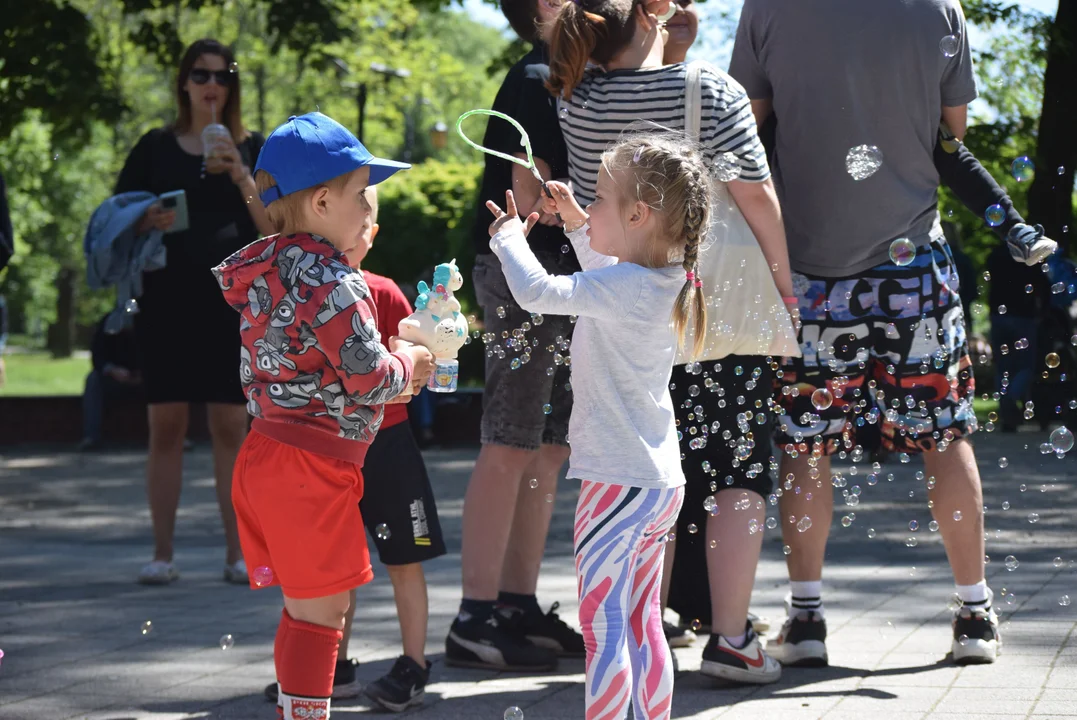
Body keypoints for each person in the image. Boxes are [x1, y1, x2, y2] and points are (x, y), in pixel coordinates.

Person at [729, 0, 1028, 666]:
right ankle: (973, 615)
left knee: (806, 445)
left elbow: (743, 133)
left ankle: (804, 621)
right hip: (912, 265)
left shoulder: (769, 8)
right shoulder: (938, 7)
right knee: (944, 435)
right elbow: (949, 133)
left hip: (805, 269)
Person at [547, 0, 794, 684]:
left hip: (625, 310)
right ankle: (732, 638)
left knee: (646, 464)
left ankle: (643, 620)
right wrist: (786, 288)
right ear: (654, 12)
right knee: (736, 469)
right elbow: (754, 195)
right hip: (713, 307)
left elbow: (611, 197)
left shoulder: (577, 97)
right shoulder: (710, 89)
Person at [212, 111, 435, 720]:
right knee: (321, 612)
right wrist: (409, 360)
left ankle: (300, 708)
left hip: (270, 455)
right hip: (310, 465)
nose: (369, 209)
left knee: (312, 608)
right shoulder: (334, 279)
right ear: (320, 200)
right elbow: (367, 376)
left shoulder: (267, 267)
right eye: (361, 194)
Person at [488, 129, 710, 720]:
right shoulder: (657, 280)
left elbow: (538, 293)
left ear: (638, 215)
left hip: (615, 483)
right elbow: (607, 275)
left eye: (601, 198)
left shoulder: (627, 287)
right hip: (658, 483)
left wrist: (510, 240)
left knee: (602, 623)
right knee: (640, 620)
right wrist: (581, 226)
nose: (590, 203)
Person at [260, 185, 447, 713]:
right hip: (336, 449)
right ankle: (332, 664)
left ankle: (414, 662)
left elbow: (422, 365)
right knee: (339, 562)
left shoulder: (383, 292)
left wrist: (423, 353)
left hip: (387, 444)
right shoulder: (306, 294)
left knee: (405, 557)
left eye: (367, 219)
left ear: (372, 233)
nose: (357, 229)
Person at [446, 0, 584, 672]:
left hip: (563, 282)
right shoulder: (535, 79)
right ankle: (473, 616)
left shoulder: (572, 75)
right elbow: (524, 197)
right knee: (508, 442)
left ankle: (514, 602)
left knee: (549, 449)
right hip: (522, 278)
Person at [114, 38, 276, 586]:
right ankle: (163, 553)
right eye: (202, 75)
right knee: (166, 425)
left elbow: (273, 228)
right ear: (184, 81)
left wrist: (241, 175)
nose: (213, 85)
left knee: (232, 425)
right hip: (164, 303)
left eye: (224, 76)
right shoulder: (155, 146)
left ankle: (237, 554)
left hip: (231, 306)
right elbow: (119, 218)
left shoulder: (252, 147)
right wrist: (146, 219)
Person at [79, 315, 141, 451]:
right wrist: (112, 370)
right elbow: (97, 357)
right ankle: (91, 437)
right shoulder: (108, 321)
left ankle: (176, 436)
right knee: (93, 380)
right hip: (113, 378)